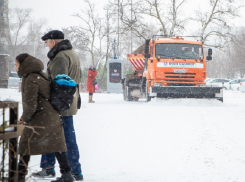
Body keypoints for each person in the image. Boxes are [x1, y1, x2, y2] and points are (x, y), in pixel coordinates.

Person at [32, 30, 83, 181]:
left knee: (66, 138)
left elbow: (58, 84)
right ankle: (48, 167)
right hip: (67, 102)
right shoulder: (71, 53)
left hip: (60, 105)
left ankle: (75, 172)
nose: (46, 46)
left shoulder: (60, 57)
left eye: (47, 43)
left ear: (53, 42)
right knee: (51, 135)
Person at [15, 53, 74, 182]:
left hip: (41, 117)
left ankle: (19, 175)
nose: (15, 68)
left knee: (25, 144)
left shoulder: (31, 78)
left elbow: (30, 105)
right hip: (52, 116)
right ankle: (67, 174)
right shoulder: (42, 74)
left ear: (23, 64)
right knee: (57, 145)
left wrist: (24, 118)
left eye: (16, 64)